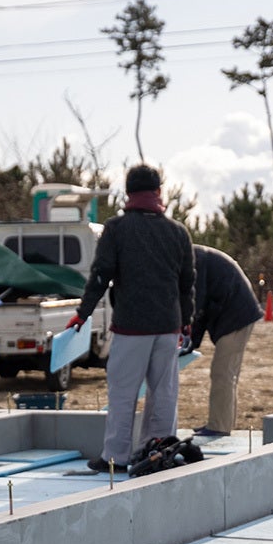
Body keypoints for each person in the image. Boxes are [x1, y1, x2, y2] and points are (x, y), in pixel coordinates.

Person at [72, 164, 196, 473]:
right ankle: (158, 452)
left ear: (128, 193)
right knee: (164, 393)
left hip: (131, 327)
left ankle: (116, 457)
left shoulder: (117, 228)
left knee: (123, 394)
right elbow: (187, 283)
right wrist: (186, 320)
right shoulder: (177, 231)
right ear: (158, 192)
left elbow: (101, 275)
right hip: (168, 327)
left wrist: (83, 313)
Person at [186, 244, 264, 439]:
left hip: (237, 315)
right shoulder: (194, 257)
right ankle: (222, 423)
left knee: (223, 372)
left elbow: (196, 305)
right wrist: (190, 341)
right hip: (235, 313)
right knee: (227, 373)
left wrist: (189, 341)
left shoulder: (194, 260)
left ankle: (219, 426)